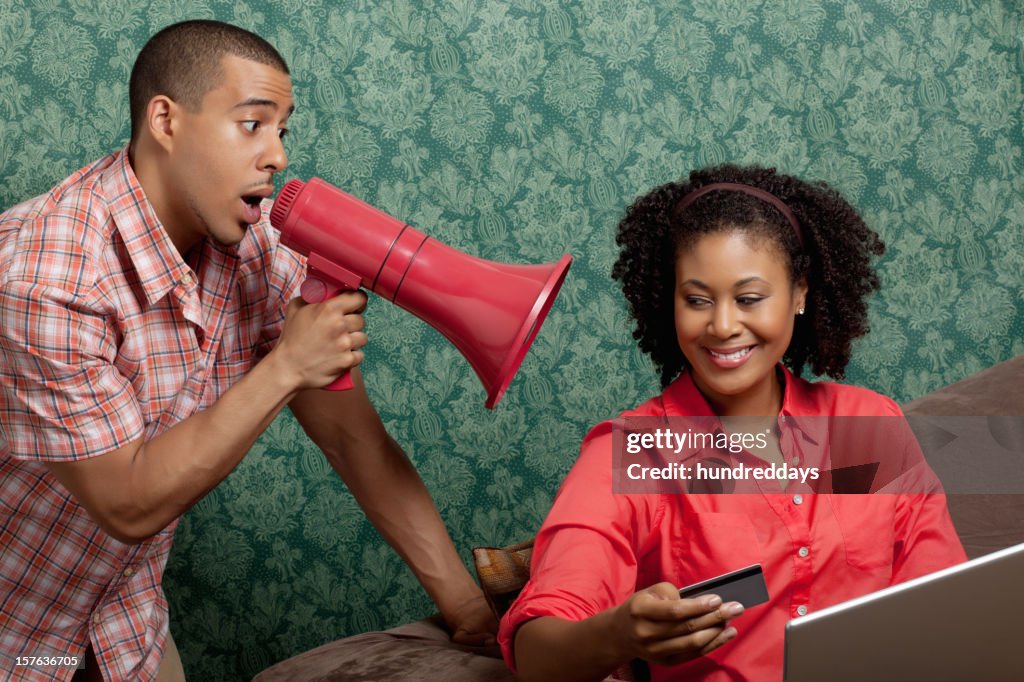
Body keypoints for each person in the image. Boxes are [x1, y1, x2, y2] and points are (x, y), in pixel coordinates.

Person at [0, 20, 494, 682]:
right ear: (166, 121)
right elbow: (128, 504)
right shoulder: (46, 278)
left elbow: (357, 444)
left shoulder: (259, 252)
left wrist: (468, 612)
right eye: (252, 124)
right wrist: (287, 366)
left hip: (124, 622)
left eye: (282, 130)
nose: (278, 157)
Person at [498, 165, 967, 681]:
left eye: (748, 299)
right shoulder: (632, 454)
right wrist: (619, 635)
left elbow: (946, 604)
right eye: (697, 300)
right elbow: (535, 656)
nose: (722, 326)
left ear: (800, 294)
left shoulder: (869, 423)